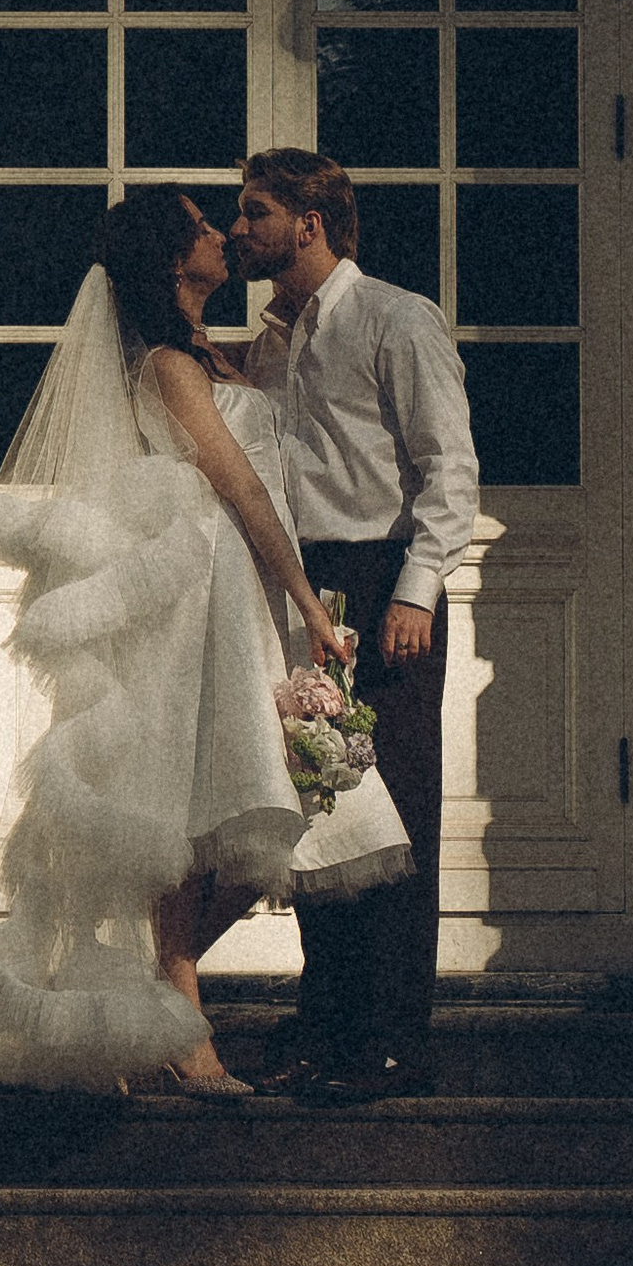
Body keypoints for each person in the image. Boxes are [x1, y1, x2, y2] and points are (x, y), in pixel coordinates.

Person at [0, 187, 351, 1095]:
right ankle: (183, 1022)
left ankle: (159, 996)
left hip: (240, 589)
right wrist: (308, 601)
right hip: (202, 591)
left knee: (267, 799)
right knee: (195, 805)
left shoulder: (212, 354)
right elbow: (240, 486)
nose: (222, 235)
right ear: (175, 260)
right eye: (204, 227)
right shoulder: (170, 365)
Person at [233, 148, 478, 1103]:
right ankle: (327, 1027)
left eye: (255, 212)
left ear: (309, 222)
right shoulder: (271, 344)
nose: (241, 229)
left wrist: (418, 588)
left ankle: (392, 1040)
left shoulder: (396, 318)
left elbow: (449, 466)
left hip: (384, 582)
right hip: (308, 589)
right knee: (322, 813)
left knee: (397, 811)